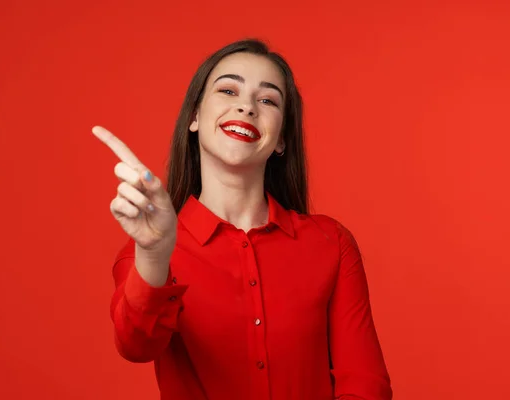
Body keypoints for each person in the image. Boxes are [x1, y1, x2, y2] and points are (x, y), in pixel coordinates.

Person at [92, 39, 392, 400]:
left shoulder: (331, 244)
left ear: (281, 139)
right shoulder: (145, 255)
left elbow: (365, 384)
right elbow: (135, 344)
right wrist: (154, 254)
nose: (246, 106)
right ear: (195, 117)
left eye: (267, 100)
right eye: (228, 90)